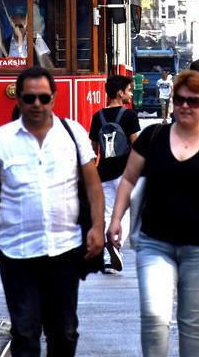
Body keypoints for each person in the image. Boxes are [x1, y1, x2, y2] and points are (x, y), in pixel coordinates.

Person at [0, 66, 105, 357]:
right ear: (19, 100)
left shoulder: (74, 135)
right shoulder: (2, 139)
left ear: (53, 98)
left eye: (43, 98)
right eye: (30, 98)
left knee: (64, 332)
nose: (37, 104)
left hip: (64, 250)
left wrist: (99, 227)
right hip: (17, 253)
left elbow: (93, 186)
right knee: (25, 333)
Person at [108, 70, 199, 357]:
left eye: (193, 102)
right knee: (154, 319)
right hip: (155, 243)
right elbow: (128, 178)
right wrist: (116, 218)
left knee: (192, 327)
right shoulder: (153, 136)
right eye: (180, 100)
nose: (185, 106)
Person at [88, 74, 140, 273]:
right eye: (128, 90)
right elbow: (137, 146)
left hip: (103, 173)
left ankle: (107, 256)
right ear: (120, 92)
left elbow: (93, 149)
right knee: (125, 212)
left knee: (107, 212)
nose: (130, 94)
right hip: (125, 173)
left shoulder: (97, 116)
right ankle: (115, 245)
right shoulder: (129, 116)